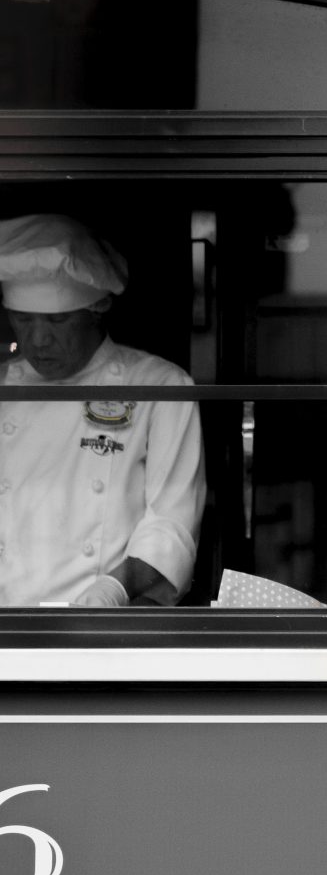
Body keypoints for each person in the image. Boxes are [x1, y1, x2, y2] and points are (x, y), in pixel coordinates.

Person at [0, 214, 206, 607]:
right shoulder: (1, 388)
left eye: (57, 320)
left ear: (95, 310)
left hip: (100, 627)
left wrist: (113, 589)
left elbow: (171, 520)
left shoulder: (159, 387)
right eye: (22, 320)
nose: (37, 339)